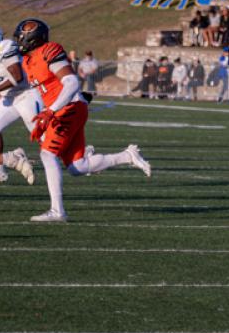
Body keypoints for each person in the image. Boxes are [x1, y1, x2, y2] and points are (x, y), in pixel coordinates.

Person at [14, 18, 151, 222]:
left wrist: (50, 111)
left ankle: (57, 211)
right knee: (77, 167)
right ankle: (127, 156)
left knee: (47, 154)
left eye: (21, 38)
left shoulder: (49, 51)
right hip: (63, 109)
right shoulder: (27, 61)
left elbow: (71, 82)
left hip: (68, 108)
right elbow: (42, 90)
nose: (18, 42)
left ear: (32, 39)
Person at [0, 21, 42, 182]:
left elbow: (17, 76)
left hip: (26, 95)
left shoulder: (6, 46)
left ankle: (82, 154)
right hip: (9, 96)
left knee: (42, 136)